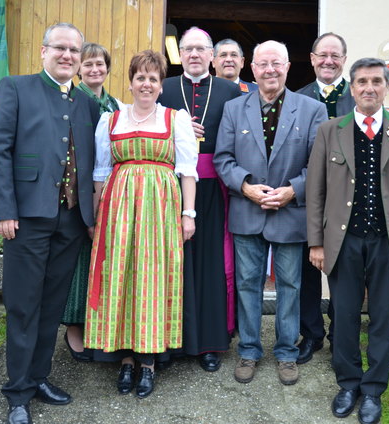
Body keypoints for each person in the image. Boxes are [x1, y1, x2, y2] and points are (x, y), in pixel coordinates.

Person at [0, 23, 100, 424]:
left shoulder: (86, 103)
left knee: (51, 306)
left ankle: (38, 377)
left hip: (70, 220)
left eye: (74, 50)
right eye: (60, 48)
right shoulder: (15, 88)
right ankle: (17, 394)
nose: (67, 55)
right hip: (26, 217)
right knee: (23, 306)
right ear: (43, 51)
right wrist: (2, 209)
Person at [306, 57, 389, 424]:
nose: (369, 88)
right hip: (342, 242)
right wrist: (316, 242)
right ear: (352, 87)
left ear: (386, 87)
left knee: (382, 320)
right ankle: (348, 383)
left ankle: (374, 389)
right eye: (362, 82)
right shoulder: (331, 130)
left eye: (376, 81)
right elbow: (316, 191)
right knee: (343, 316)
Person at [84, 50, 197, 399]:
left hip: (159, 210)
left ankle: (148, 363)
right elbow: (100, 173)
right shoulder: (112, 120)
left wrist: (188, 214)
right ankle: (126, 360)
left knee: (151, 279)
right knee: (121, 275)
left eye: (153, 78)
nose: (146, 84)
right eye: (140, 78)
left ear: (161, 86)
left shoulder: (175, 119)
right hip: (117, 209)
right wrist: (94, 217)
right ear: (130, 83)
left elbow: (187, 172)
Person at [214, 40, 327, 386]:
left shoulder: (312, 110)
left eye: (276, 63)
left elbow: (319, 165)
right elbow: (223, 159)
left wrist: (294, 190)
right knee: (248, 284)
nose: (270, 70)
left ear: (288, 66)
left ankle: (285, 352)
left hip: (291, 212)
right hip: (247, 210)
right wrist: (246, 187)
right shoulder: (234, 109)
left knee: (290, 286)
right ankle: (248, 350)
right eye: (263, 64)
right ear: (253, 69)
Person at [158, 26, 241, 373]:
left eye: (200, 49)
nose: (194, 54)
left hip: (214, 187)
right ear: (181, 55)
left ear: (211, 55)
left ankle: (209, 342)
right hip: (169, 185)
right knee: (172, 263)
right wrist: (175, 130)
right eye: (187, 49)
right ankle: (171, 339)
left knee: (210, 265)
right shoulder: (162, 88)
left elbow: (239, 135)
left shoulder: (231, 91)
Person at [295, 32, 355, 364]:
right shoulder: (299, 98)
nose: (328, 60)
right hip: (310, 199)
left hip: (348, 200)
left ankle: (339, 338)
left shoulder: (358, 97)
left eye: (335, 55)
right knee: (308, 271)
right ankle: (312, 334)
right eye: (323, 55)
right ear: (313, 58)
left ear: (343, 59)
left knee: (343, 273)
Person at [62, 42, 123, 362]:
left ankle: (98, 324)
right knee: (79, 259)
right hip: (77, 189)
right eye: (88, 65)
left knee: (103, 260)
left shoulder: (117, 105)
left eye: (100, 64)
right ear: (78, 69)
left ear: (108, 68)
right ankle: (74, 325)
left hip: (111, 190)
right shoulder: (70, 100)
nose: (94, 69)